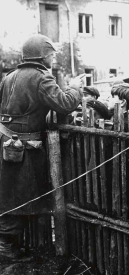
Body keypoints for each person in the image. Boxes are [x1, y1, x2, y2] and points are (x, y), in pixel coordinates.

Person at [0, 34, 83, 258]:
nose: (53, 59)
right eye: (51, 54)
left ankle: (8, 244)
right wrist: (75, 88)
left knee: (8, 193)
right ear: (42, 55)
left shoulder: (10, 77)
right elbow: (64, 104)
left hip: (7, 143)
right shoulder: (41, 78)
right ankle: (5, 246)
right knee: (22, 194)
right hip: (26, 148)